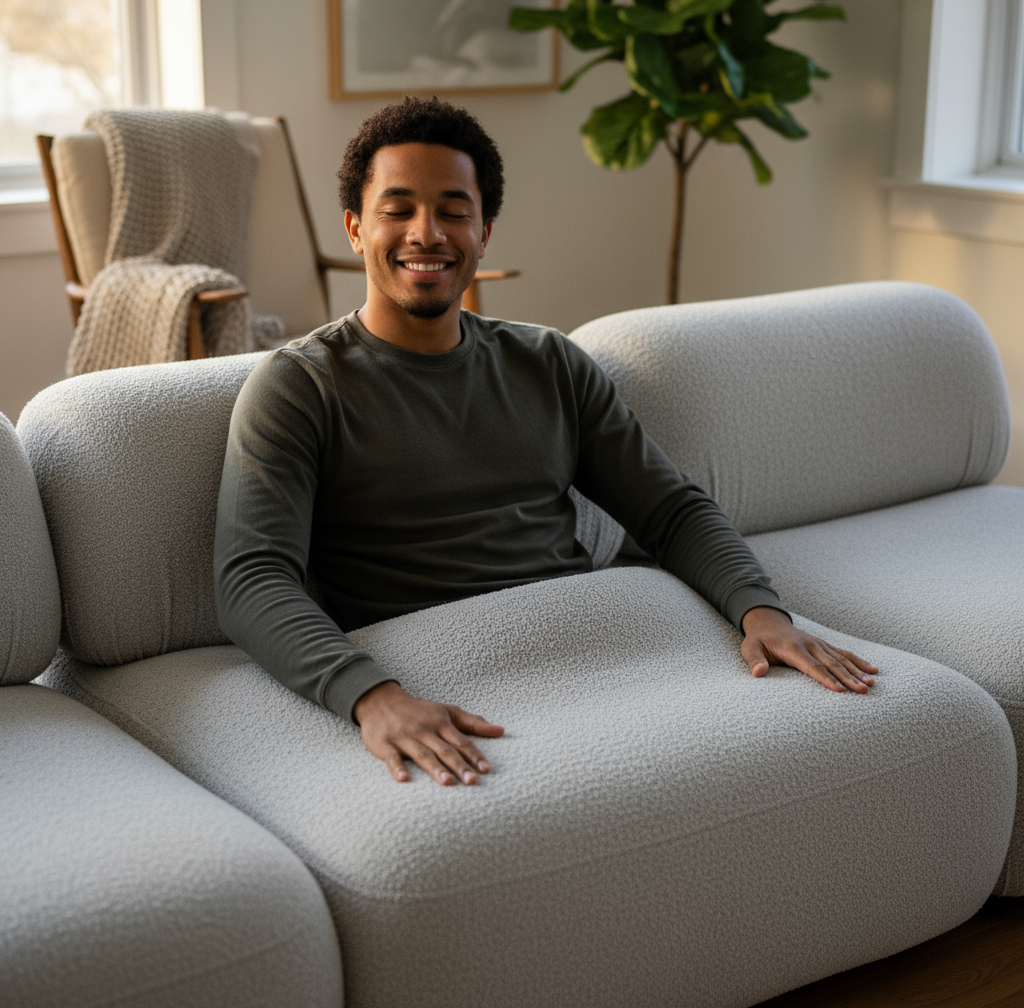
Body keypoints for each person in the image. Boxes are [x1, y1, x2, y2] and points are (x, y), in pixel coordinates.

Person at [214, 97, 876, 789]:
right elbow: (252, 580)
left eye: (453, 210)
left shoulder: (549, 363)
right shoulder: (299, 387)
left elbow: (670, 510)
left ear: (485, 231)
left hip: (590, 640)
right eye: (398, 209)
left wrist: (762, 611)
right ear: (355, 228)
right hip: (442, 664)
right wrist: (372, 697)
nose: (427, 232)